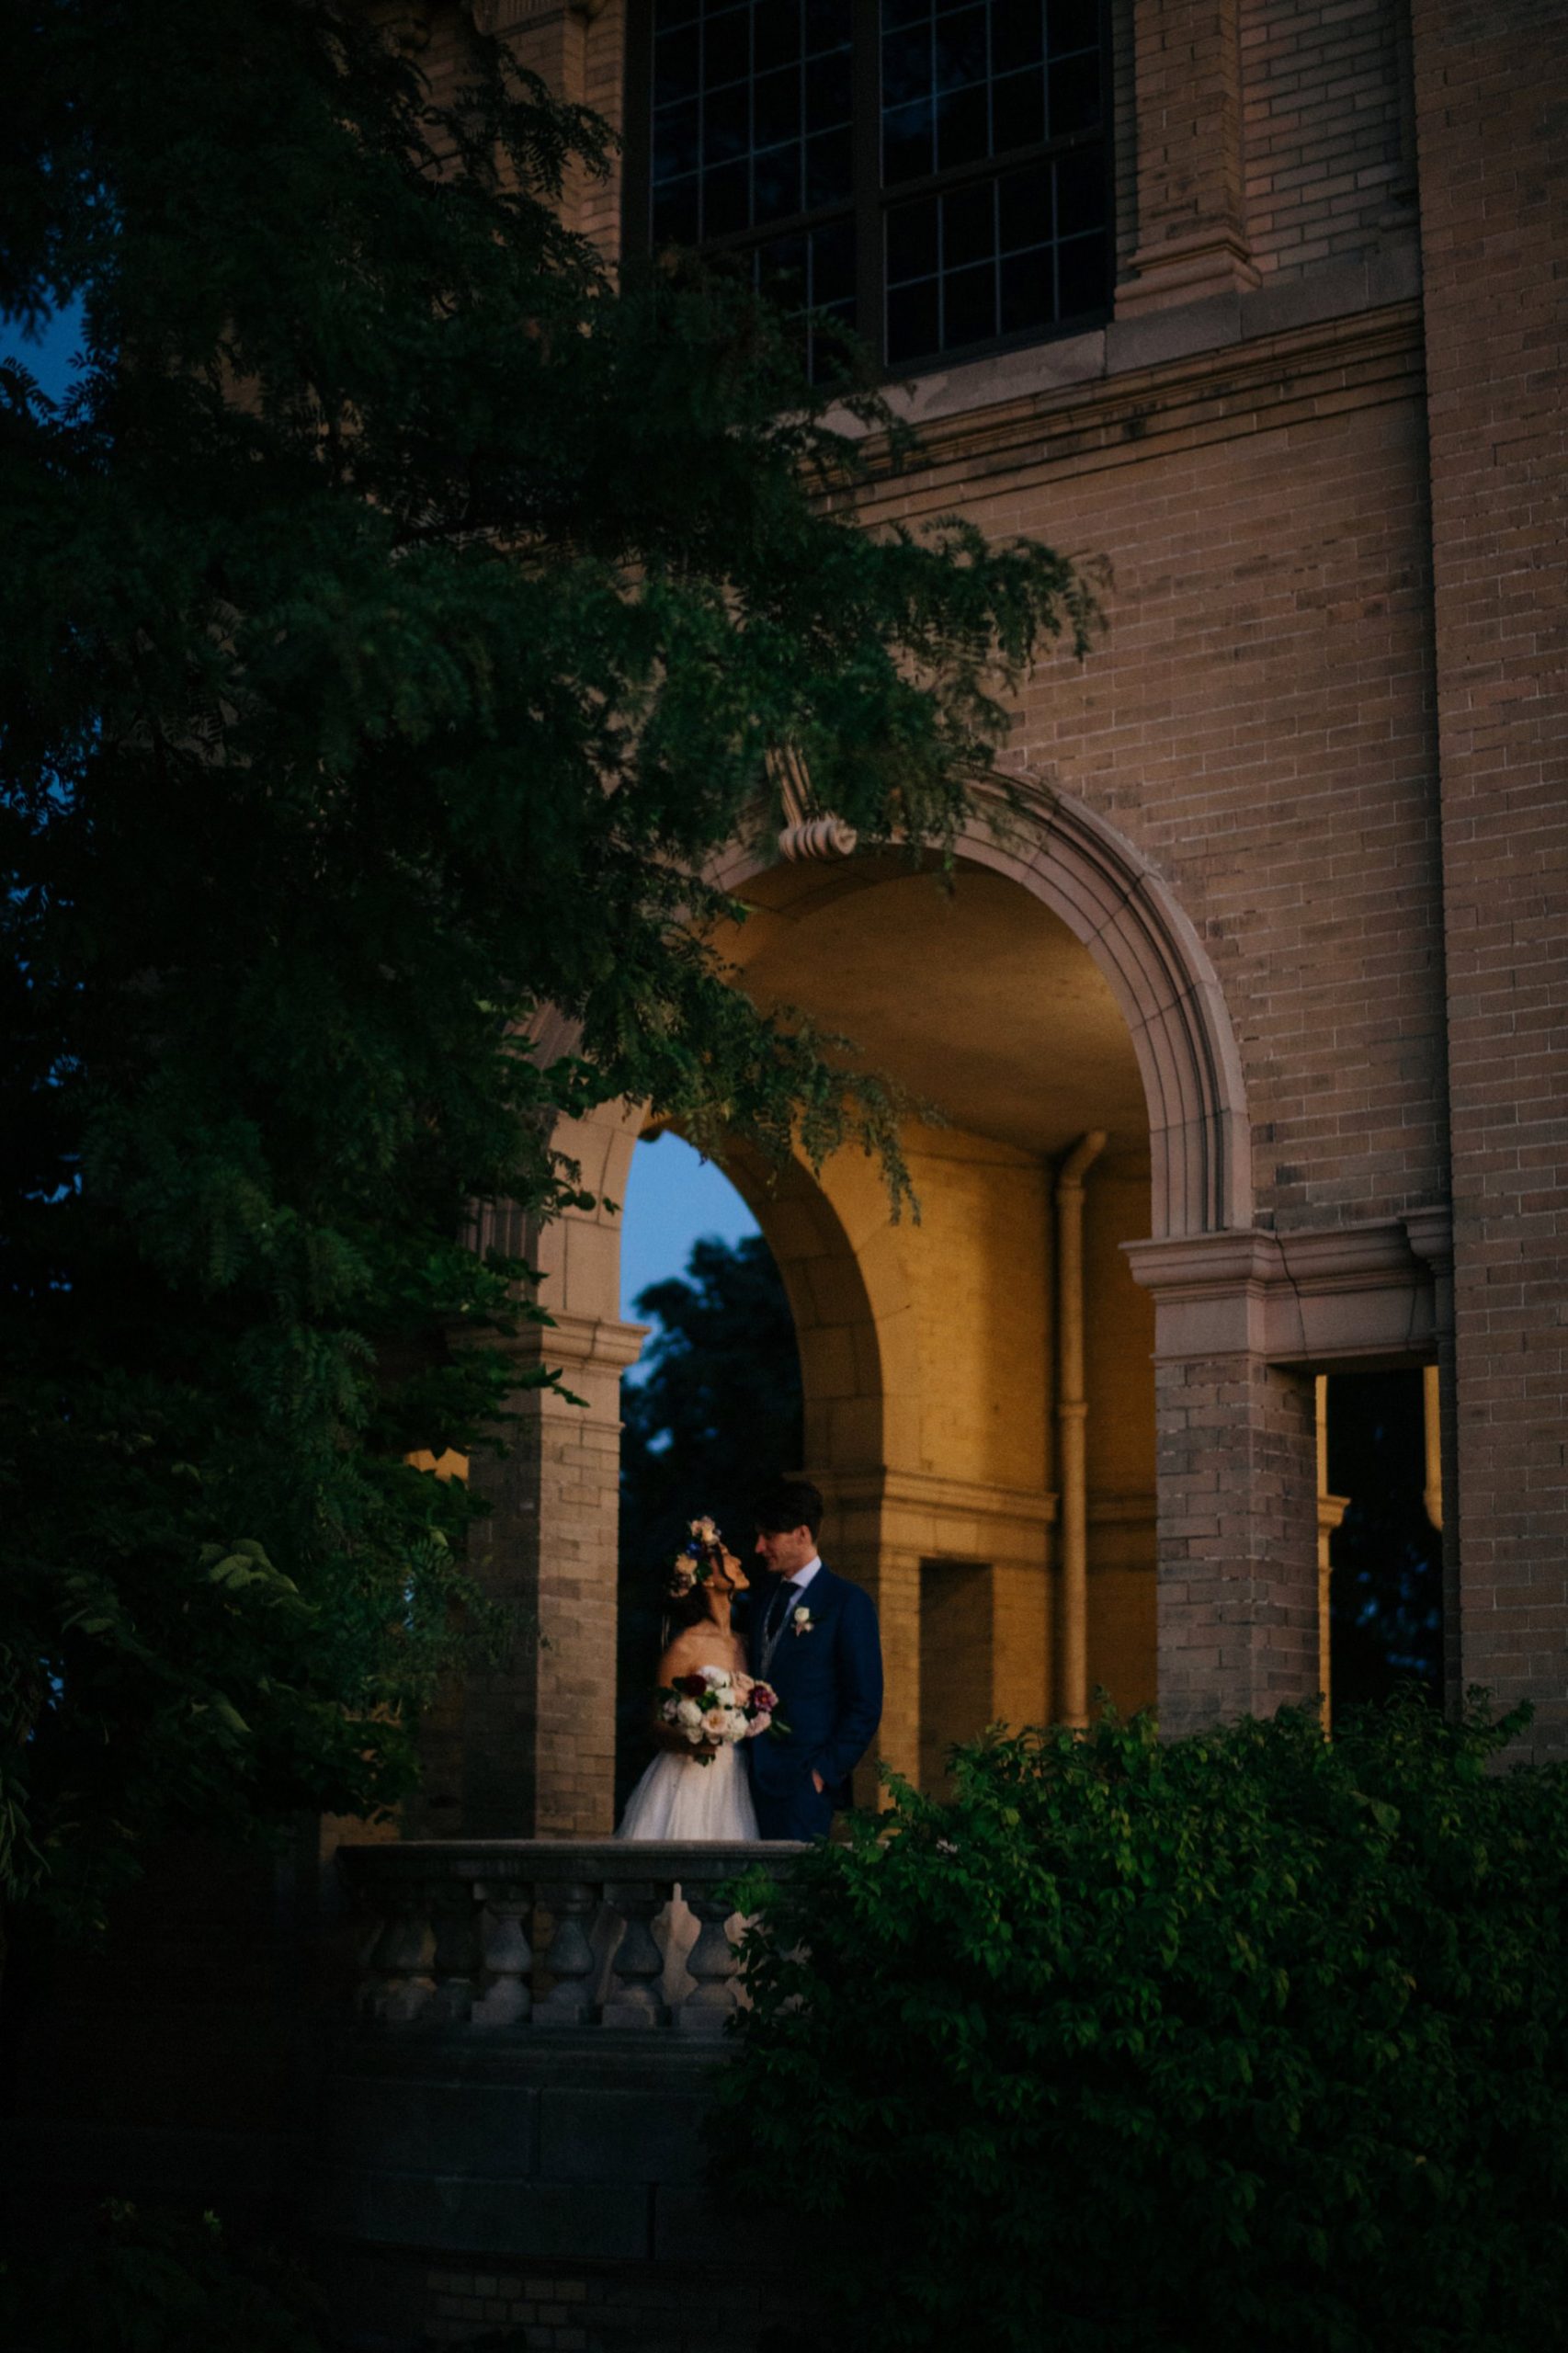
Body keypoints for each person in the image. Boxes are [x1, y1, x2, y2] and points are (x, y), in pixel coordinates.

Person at [745, 1476, 883, 1840]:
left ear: (802, 1535)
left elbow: (866, 1703)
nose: (759, 1547)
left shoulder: (847, 1603)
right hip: (746, 1778)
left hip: (804, 1785)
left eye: (769, 1536)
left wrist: (823, 1773)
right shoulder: (763, 1598)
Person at [615, 1524, 760, 1842]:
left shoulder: (745, 1643)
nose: (737, 1560)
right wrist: (696, 1736)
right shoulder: (686, 1646)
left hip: (735, 1775)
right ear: (707, 1577)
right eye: (725, 1555)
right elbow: (656, 1723)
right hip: (689, 1777)